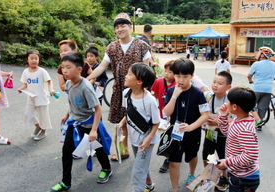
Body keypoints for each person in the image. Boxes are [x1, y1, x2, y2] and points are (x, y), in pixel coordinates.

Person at [86, 13, 151, 161]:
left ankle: (142, 148)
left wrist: (145, 87)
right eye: (117, 27)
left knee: (139, 120)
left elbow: (147, 68)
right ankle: (124, 149)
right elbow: (102, 66)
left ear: (130, 27)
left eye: (123, 26)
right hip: (120, 90)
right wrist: (85, 80)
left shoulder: (141, 46)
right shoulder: (112, 47)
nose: (120, 29)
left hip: (138, 89)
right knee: (121, 121)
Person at [50, 52, 112, 192]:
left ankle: (107, 168)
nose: (64, 70)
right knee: (66, 151)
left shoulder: (85, 87)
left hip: (90, 124)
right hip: (75, 123)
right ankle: (66, 182)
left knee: (98, 148)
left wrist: (94, 130)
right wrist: (67, 114)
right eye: (63, 67)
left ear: (79, 69)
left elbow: (98, 109)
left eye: (68, 67)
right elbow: (72, 102)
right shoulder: (68, 84)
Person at [163, 58, 209, 192]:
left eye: (185, 76)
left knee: (192, 156)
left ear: (192, 76)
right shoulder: (172, 91)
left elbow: (205, 115)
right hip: (175, 133)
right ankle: (174, 188)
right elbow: (167, 112)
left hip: (192, 132)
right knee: (174, 161)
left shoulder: (198, 93)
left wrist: (190, 127)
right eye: (178, 76)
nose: (181, 80)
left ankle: (191, 173)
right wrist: (174, 96)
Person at [117, 63, 159, 192]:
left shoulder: (150, 100)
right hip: (135, 139)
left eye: (130, 74)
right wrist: (122, 122)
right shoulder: (126, 93)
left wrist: (148, 139)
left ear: (139, 81)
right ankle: (149, 184)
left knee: (138, 171)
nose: (126, 76)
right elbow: (128, 113)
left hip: (146, 141)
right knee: (142, 164)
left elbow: (156, 122)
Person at [216, 87, 260, 192]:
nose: (226, 103)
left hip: (244, 178)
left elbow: (251, 154)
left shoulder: (244, 128)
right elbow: (227, 132)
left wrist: (227, 162)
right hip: (238, 174)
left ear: (235, 106)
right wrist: (223, 116)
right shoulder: (238, 119)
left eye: (229, 102)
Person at [202, 71, 232, 191]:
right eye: (214, 82)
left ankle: (224, 178)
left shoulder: (230, 100)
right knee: (207, 155)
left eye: (220, 83)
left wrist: (218, 122)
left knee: (223, 157)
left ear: (228, 87)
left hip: (224, 136)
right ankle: (208, 176)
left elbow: (234, 120)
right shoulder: (208, 95)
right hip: (209, 133)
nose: (215, 85)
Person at [18, 49, 55, 141]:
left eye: (36, 58)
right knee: (28, 114)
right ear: (27, 59)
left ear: (39, 59)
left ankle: (43, 132)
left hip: (41, 97)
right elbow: (25, 84)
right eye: (32, 58)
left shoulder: (42, 71)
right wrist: (21, 89)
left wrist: (51, 89)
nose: (34, 60)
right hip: (31, 97)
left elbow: (49, 80)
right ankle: (38, 126)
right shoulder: (26, 72)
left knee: (43, 116)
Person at [247, 46, 275, 130]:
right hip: (268, 89)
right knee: (263, 107)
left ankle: (258, 120)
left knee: (251, 104)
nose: (257, 54)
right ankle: (259, 124)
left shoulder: (256, 64)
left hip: (257, 88)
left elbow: (249, 76)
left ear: (263, 55)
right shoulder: (273, 64)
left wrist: (251, 81)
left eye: (259, 53)